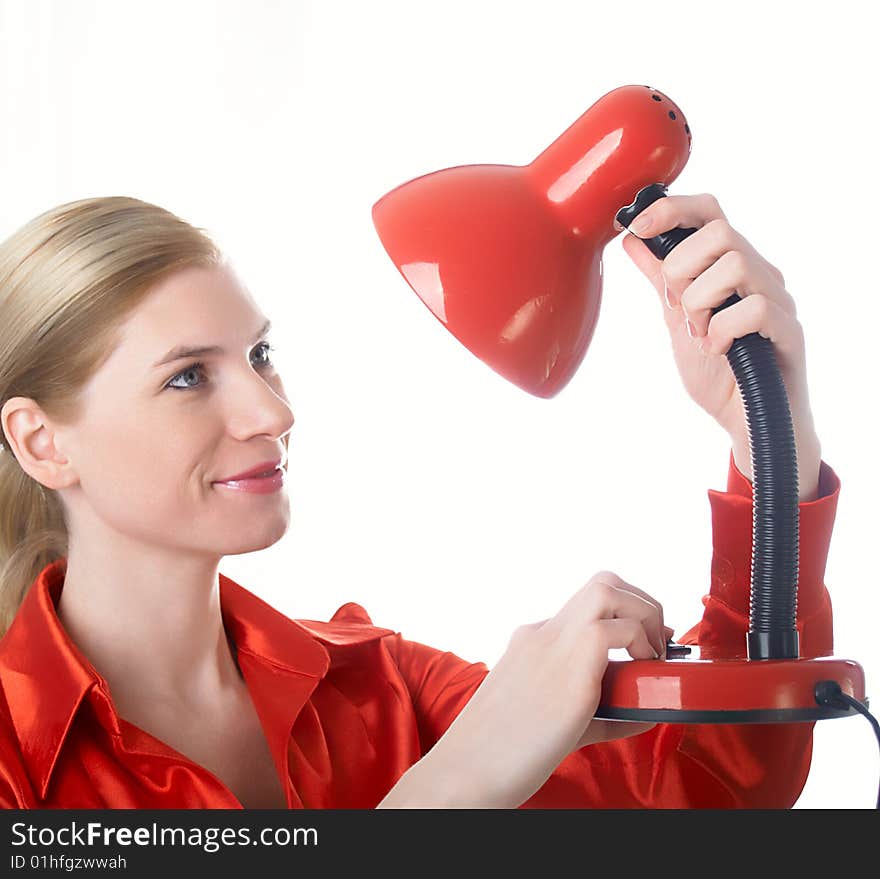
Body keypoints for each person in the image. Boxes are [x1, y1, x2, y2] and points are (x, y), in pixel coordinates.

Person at [0, 194, 839, 809]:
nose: (273, 412)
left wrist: (771, 443)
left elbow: (712, 790)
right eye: (188, 377)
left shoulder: (381, 687)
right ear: (43, 442)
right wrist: (459, 785)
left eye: (260, 354)